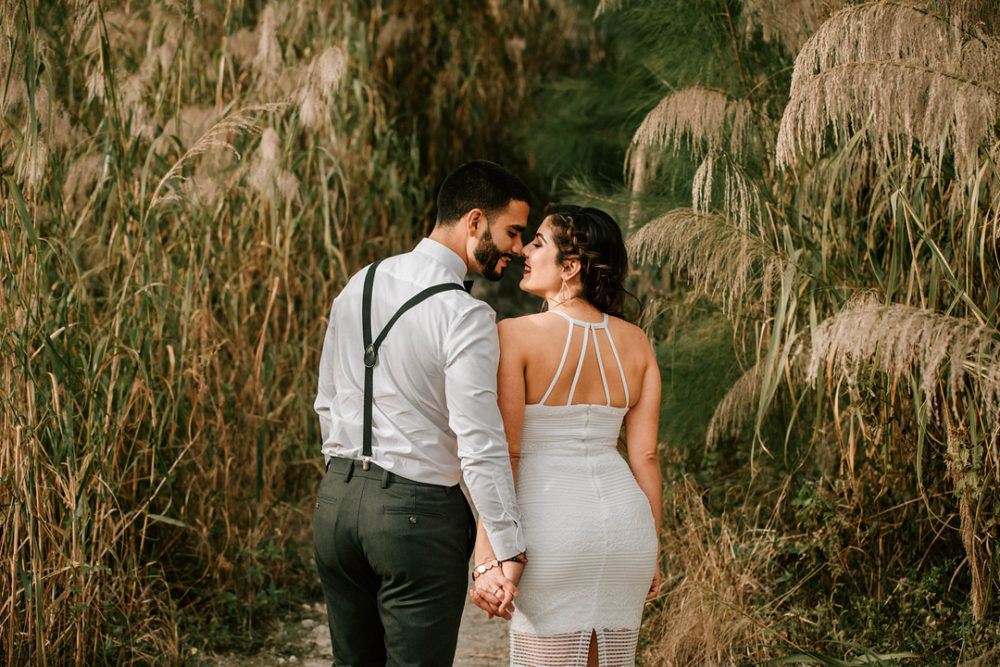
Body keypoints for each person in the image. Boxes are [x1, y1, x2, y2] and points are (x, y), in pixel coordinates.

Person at [313, 160, 531, 666]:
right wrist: (506, 544)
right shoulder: (465, 315)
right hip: (416, 516)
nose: (518, 249)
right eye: (513, 232)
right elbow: (479, 441)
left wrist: (346, 479)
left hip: (336, 508)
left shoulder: (358, 284)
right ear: (474, 221)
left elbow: (327, 400)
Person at [469, 205, 662, 666]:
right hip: (627, 530)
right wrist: (652, 548)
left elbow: (507, 454)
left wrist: (485, 555)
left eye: (537, 243)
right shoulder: (637, 342)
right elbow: (646, 458)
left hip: (552, 528)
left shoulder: (514, 335)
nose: (524, 252)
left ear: (570, 267)